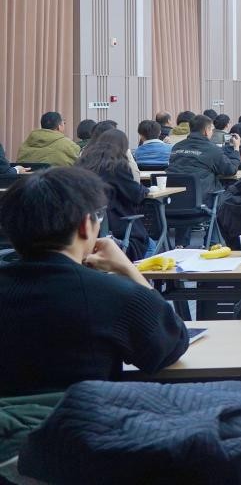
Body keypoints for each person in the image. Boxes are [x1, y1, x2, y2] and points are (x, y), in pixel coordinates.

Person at [0, 168, 188, 394]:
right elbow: (172, 344)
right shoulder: (115, 296)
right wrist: (128, 269)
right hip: (81, 415)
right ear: (84, 225)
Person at [77, 129, 151, 260]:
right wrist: (146, 190)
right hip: (114, 223)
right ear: (123, 147)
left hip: (85, 223)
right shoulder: (116, 166)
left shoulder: (82, 163)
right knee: (151, 246)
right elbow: (135, 194)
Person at [166, 113, 241, 202]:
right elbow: (231, 170)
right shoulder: (212, 149)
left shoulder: (176, 147)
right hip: (203, 199)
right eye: (211, 129)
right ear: (206, 131)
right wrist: (236, 148)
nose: (212, 132)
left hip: (174, 200)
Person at [16, 112, 80, 167]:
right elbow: (81, 162)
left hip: (30, 178)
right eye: (64, 123)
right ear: (59, 126)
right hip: (56, 177)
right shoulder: (68, 144)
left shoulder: (25, 145)